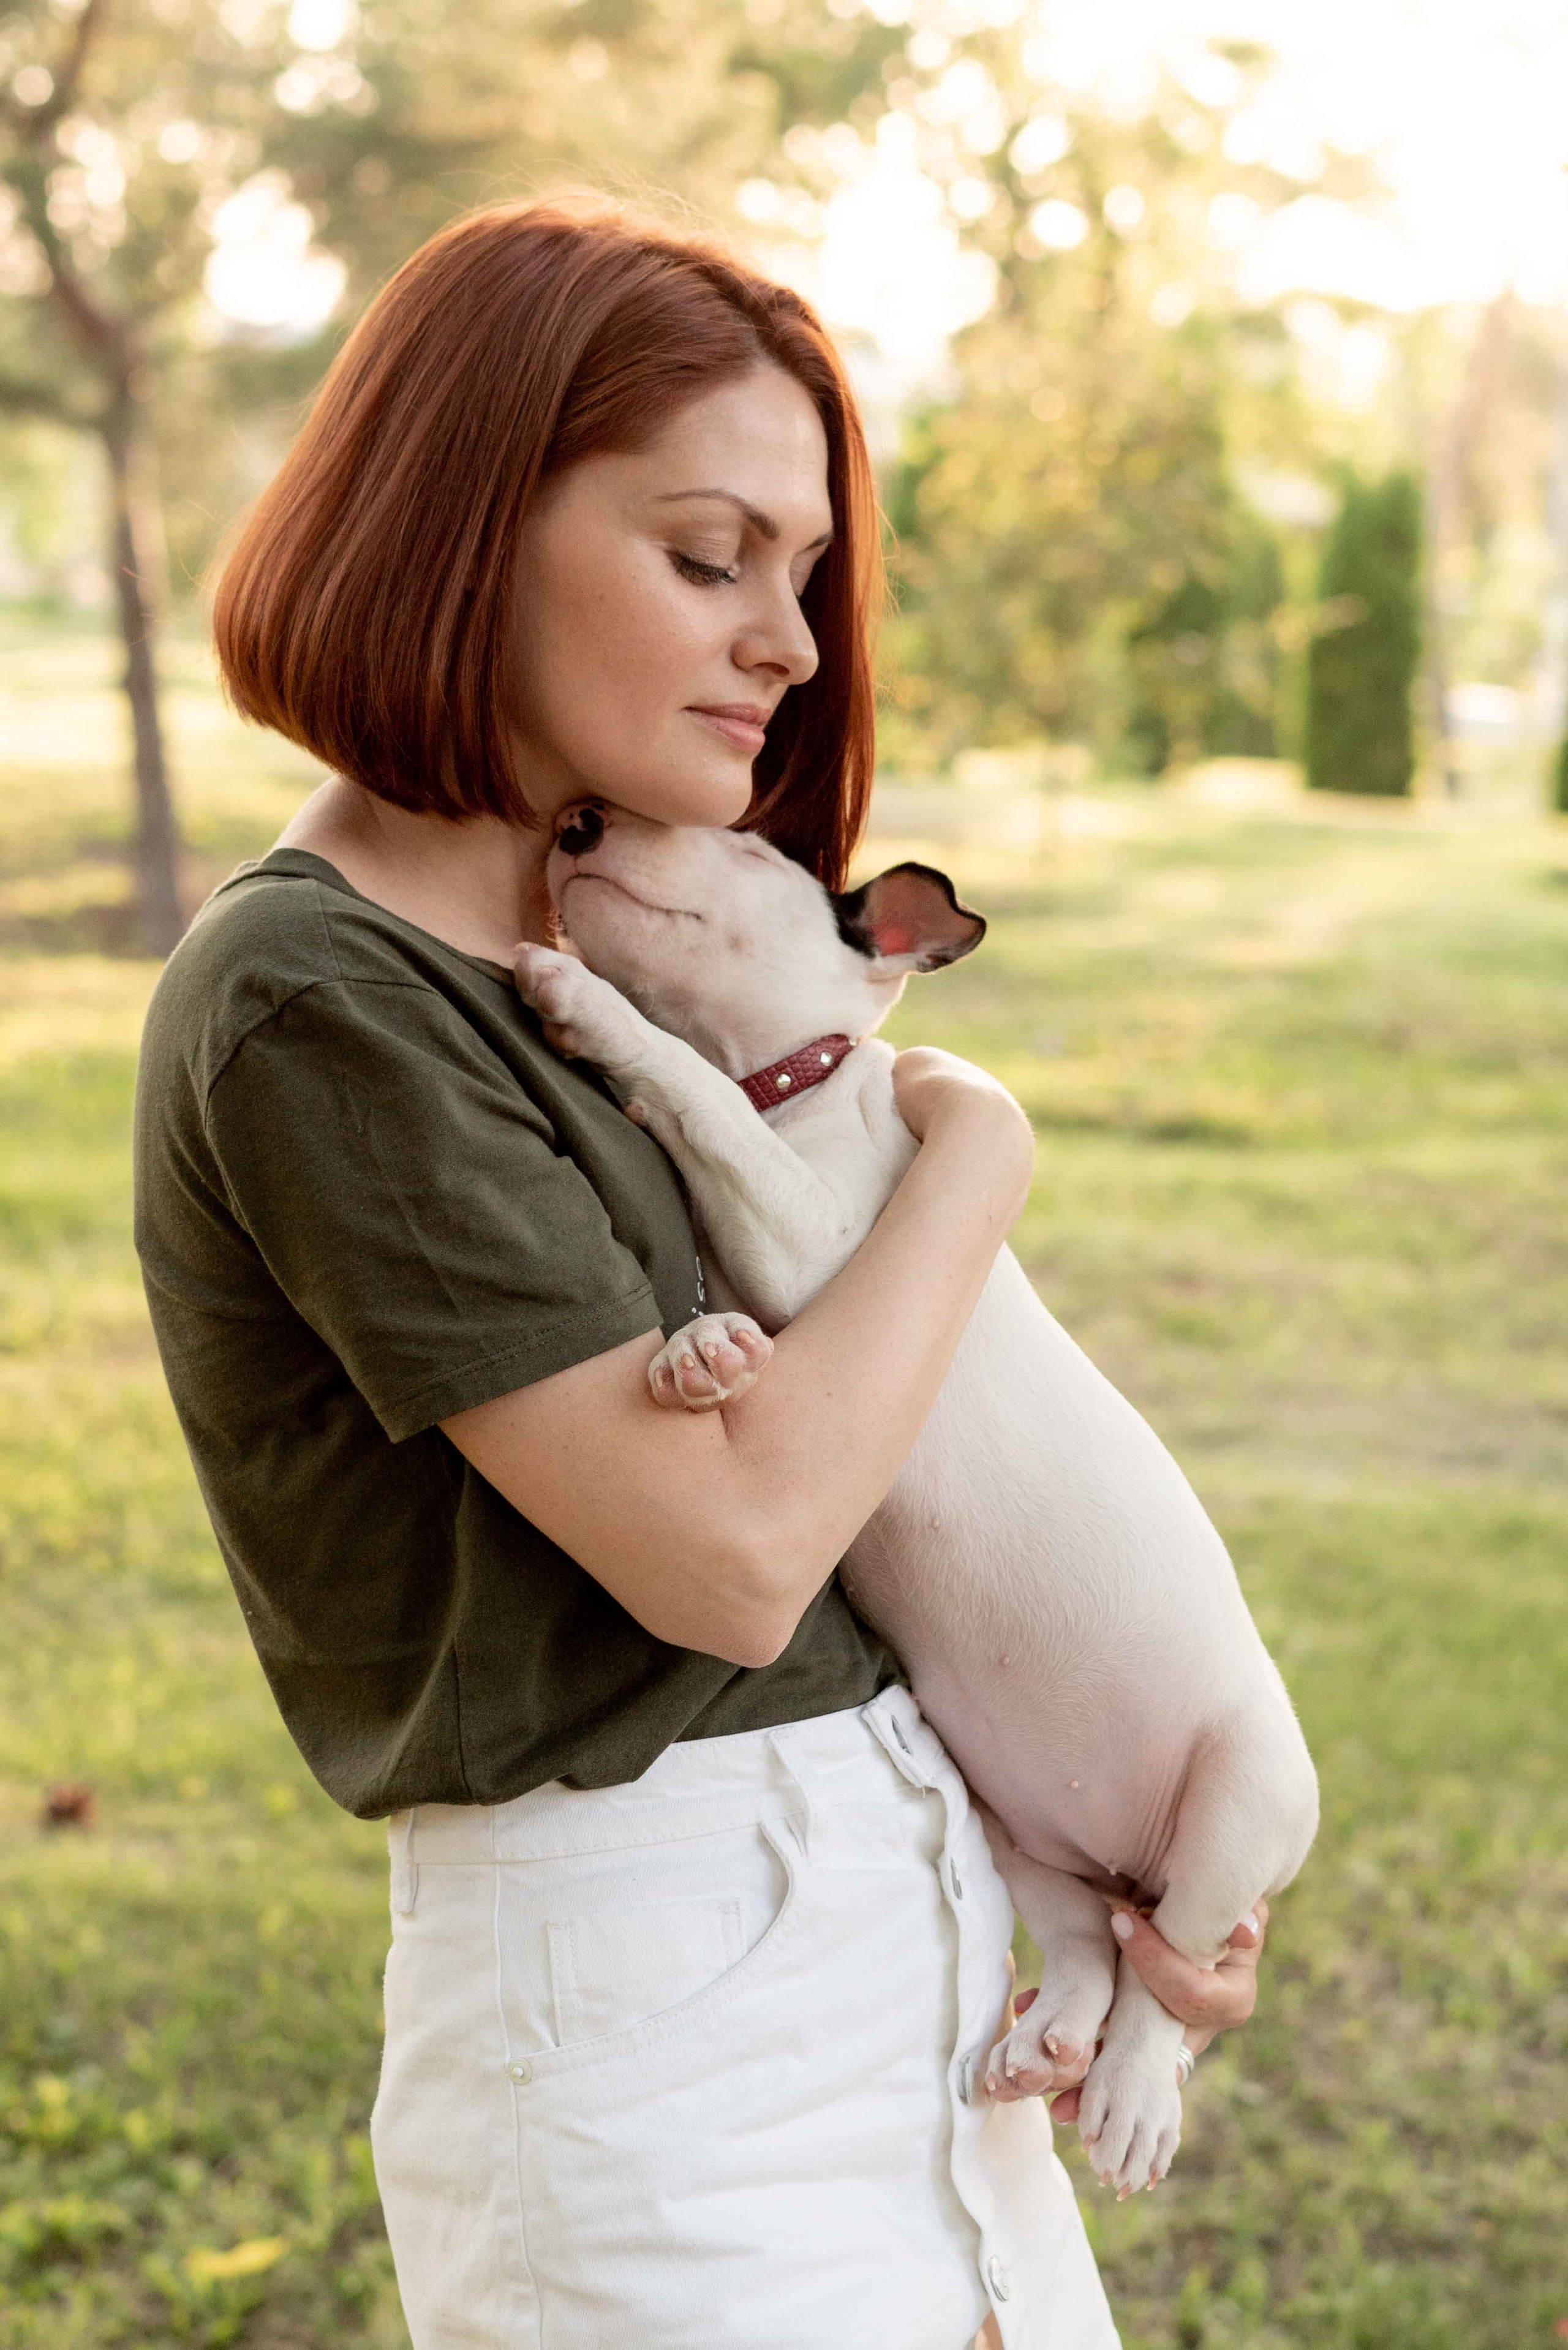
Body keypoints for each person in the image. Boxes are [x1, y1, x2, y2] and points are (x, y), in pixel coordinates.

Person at [134, 194, 1268, 2350]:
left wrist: (1120, 1879)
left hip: (917, 1946)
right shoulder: (319, 1002)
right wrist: (981, 1149)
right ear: (468, 527)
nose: (794, 644)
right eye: (706, 555)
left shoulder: (612, 978)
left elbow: (920, 1499)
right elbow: (740, 1552)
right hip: (653, 2025)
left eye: (809, 576)